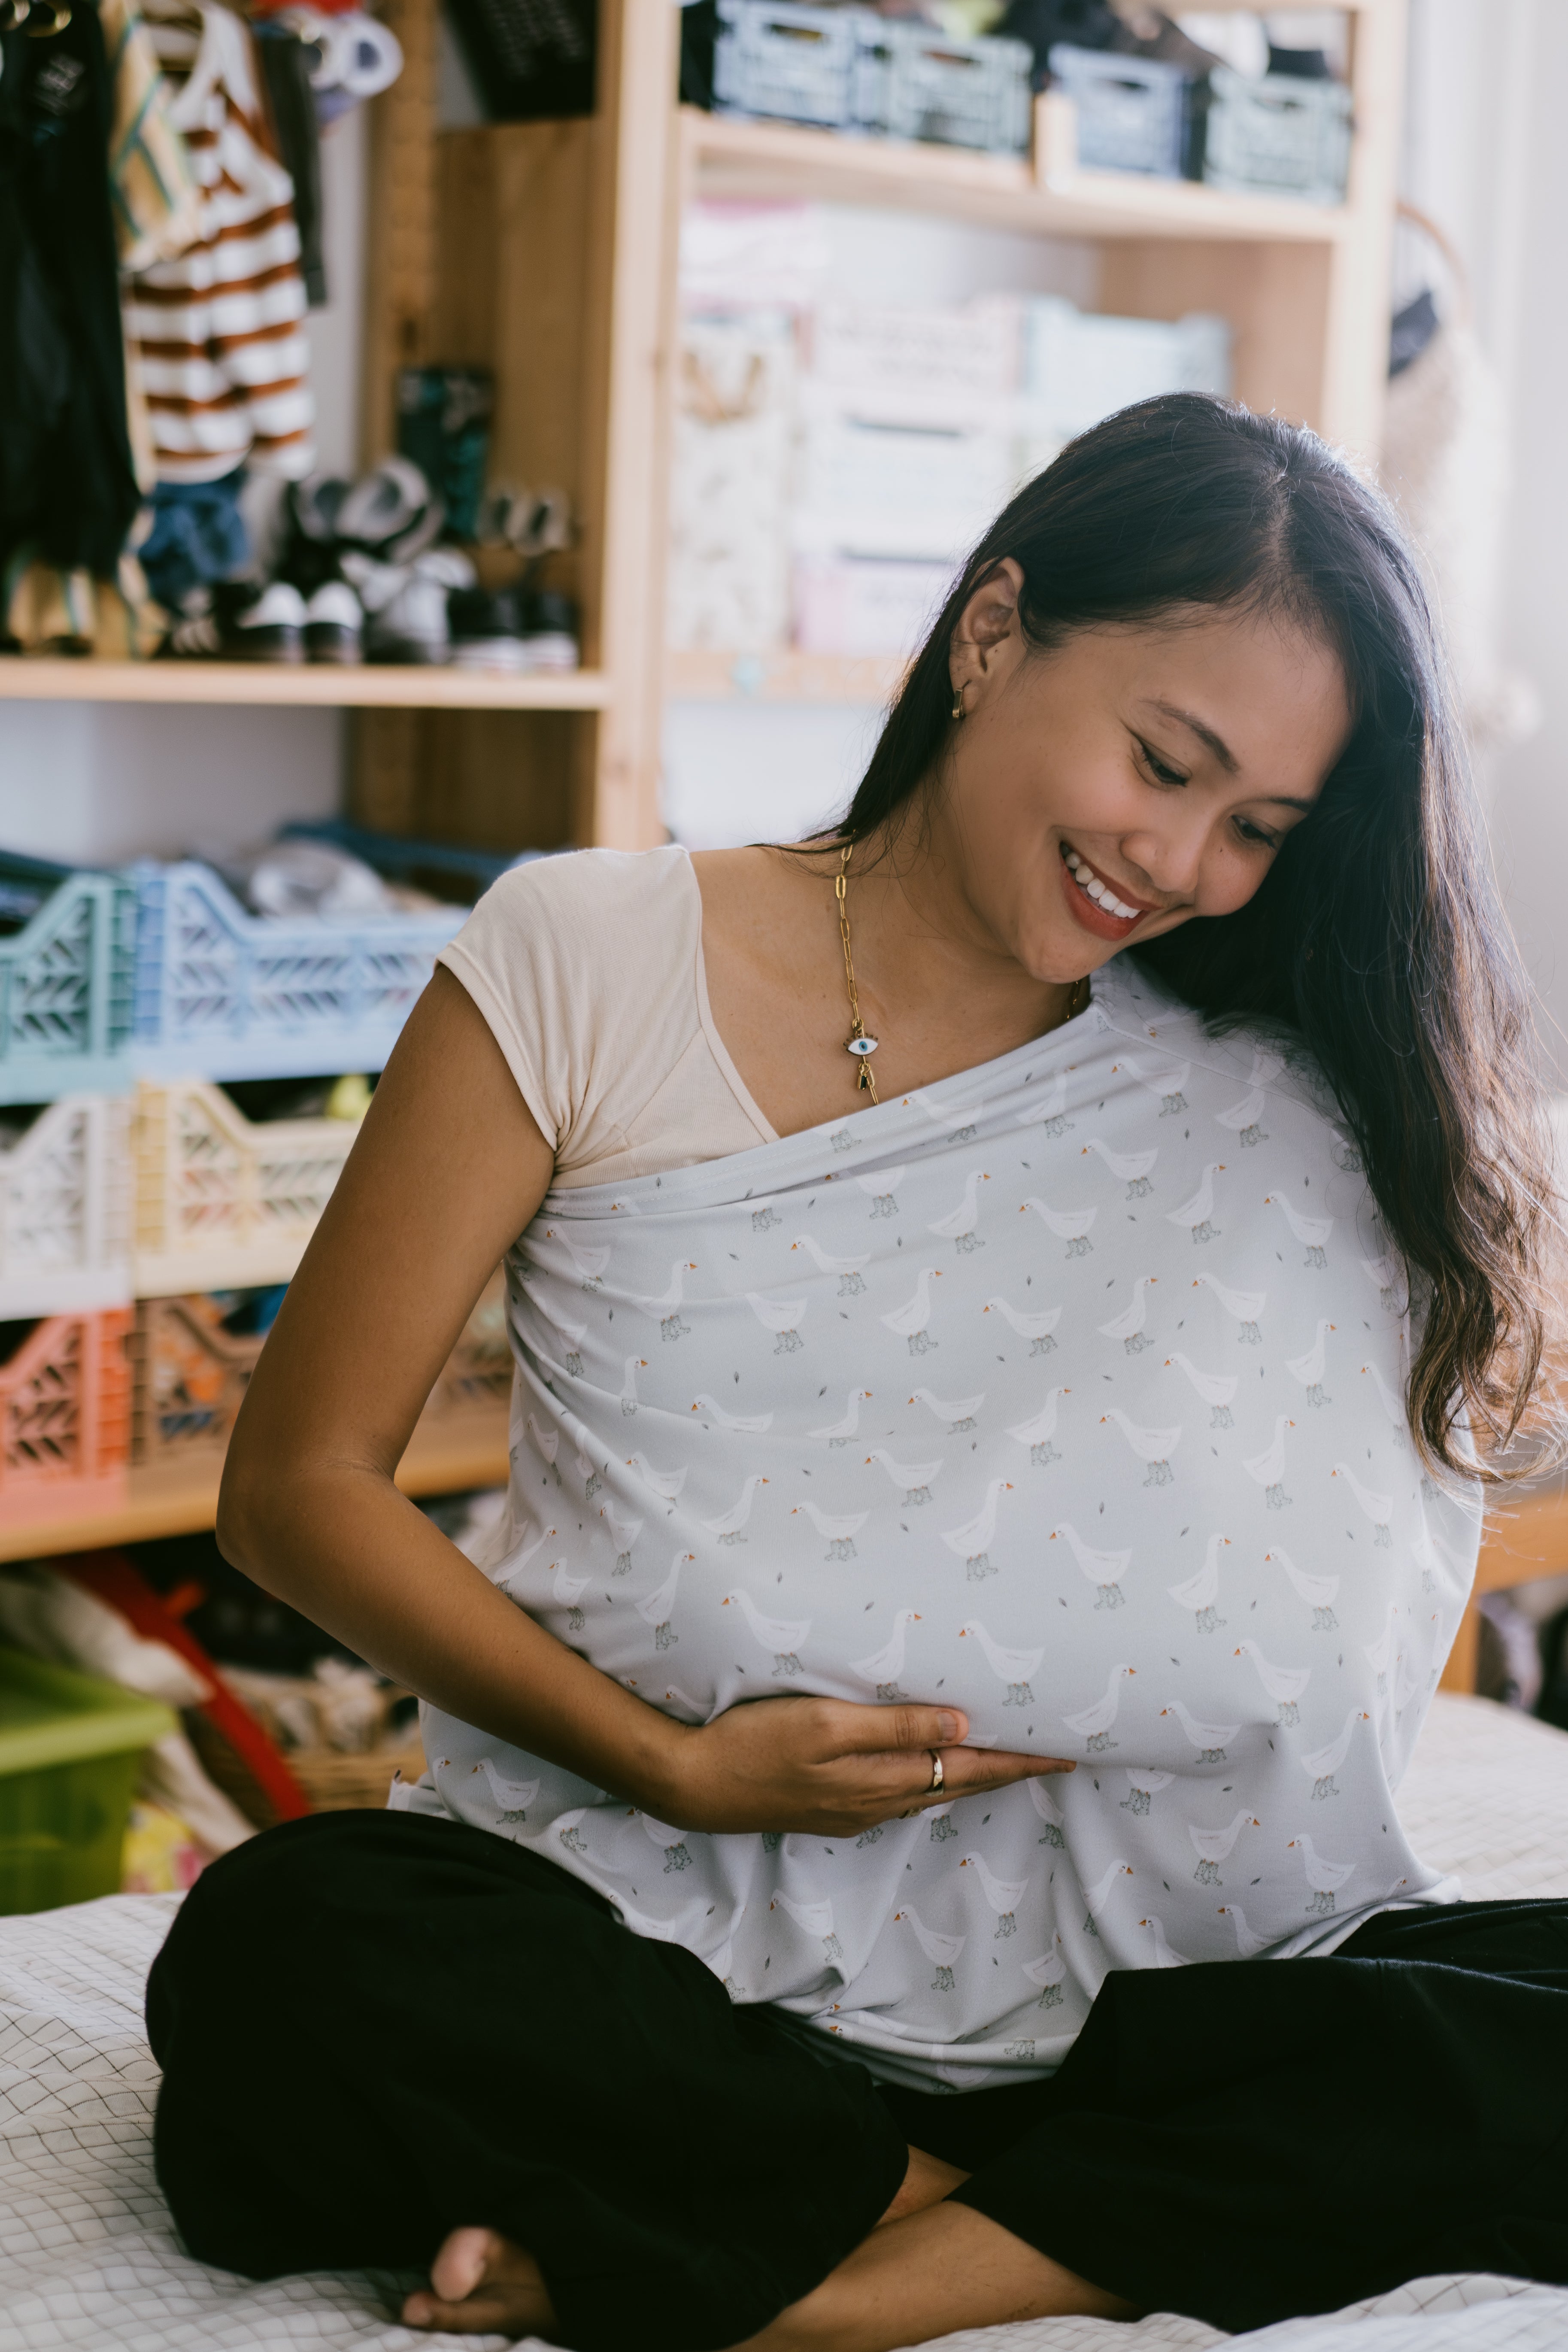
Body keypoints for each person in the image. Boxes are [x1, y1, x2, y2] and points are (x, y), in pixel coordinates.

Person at [149, 395, 1568, 2349]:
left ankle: (799, 2269)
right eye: (1165, 762)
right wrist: (673, 1765)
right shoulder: (587, 952)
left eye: (1258, 829)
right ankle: (1012, 2228)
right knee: (281, 1951)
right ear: (992, 630)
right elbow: (291, 1490)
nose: (1178, 862)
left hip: (1134, 1987)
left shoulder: (1261, 1087)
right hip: (657, 1945)